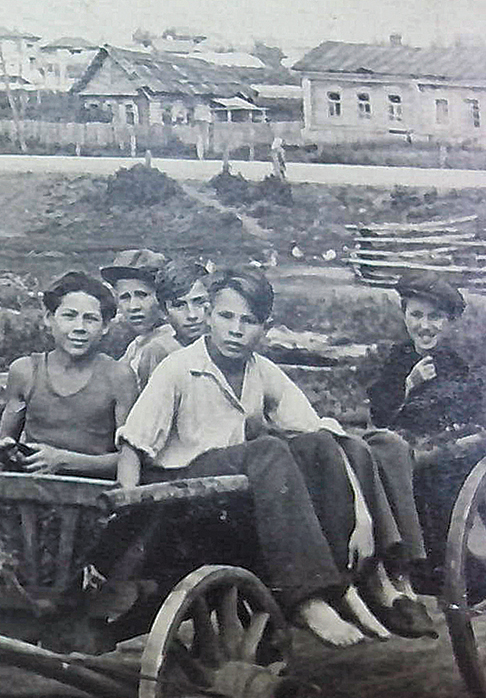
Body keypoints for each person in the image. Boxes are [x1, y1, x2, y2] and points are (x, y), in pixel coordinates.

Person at [117, 267, 423, 647]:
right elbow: (133, 444)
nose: (235, 329)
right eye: (226, 317)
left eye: (249, 321)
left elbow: (318, 434)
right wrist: (126, 509)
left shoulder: (260, 370)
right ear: (209, 316)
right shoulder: (179, 368)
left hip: (233, 496)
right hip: (183, 494)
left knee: (312, 445)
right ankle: (307, 599)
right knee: (269, 448)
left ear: (265, 328)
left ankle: (352, 583)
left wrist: (361, 515)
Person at [367, 272, 486, 591]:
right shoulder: (398, 360)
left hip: (447, 456)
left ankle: (467, 562)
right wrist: (409, 385)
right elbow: (380, 417)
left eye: (435, 317)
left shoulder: (454, 363)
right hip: (409, 460)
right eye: (416, 315)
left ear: (450, 323)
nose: (425, 325)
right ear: (404, 315)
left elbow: (467, 411)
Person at [0, 271, 137, 477]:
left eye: (91, 319)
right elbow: (6, 441)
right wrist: (8, 451)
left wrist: (65, 461)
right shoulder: (25, 372)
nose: (79, 328)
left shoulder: (118, 377)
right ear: (49, 318)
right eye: (69, 316)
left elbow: (130, 460)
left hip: (94, 496)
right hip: (33, 492)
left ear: (105, 327)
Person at [100, 249, 178, 387]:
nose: (133, 307)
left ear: (162, 298)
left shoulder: (165, 345)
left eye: (142, 295)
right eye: (125, 297)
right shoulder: (138, 343)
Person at [154, 257, 212, 348]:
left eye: (199, 302)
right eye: (179, 305)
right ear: (164, 311)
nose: (192, 315)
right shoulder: (157, 351)